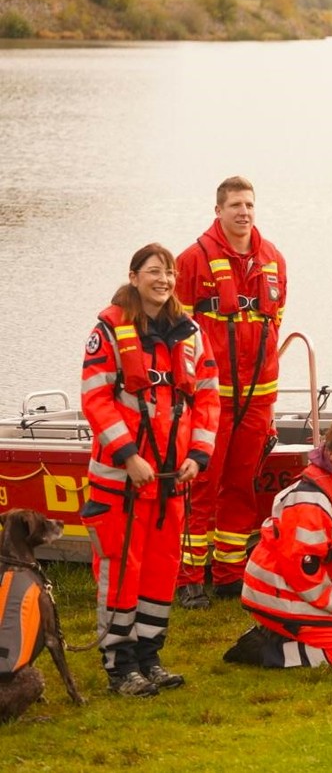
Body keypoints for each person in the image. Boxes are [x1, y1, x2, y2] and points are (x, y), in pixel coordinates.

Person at [80, 243, 220, 696]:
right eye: (154, 271)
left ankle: (149, 656)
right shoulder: (109, 329)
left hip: (169, 481)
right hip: (122, 480)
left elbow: (207, 400)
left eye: (170, 273)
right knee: (121, 569)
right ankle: (120, 666)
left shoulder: (191, 333)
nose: (164, 279)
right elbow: (96, 398)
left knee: (161, 570)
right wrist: (128, 456)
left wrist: (197, 457)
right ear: (134, 276)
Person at [175, 175, 287, 610]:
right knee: (202, 482)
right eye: (235, 205)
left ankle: (228, 573)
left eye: (250, 205)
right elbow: (178, 335)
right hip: (209, 396)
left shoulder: (273, 258)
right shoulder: (192, 260)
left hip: (259, 396)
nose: (244, 212)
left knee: (242, 485)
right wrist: (185, 397)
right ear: (218, 210)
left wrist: (272, 407)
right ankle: (188, 577)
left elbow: (273, 324)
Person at [227, 416, 332, 669]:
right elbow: (304, 575)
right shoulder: (310, 503)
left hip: (304, 590)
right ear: (330, 454)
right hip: (279, 593)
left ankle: (283, 634)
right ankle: (260, 648)